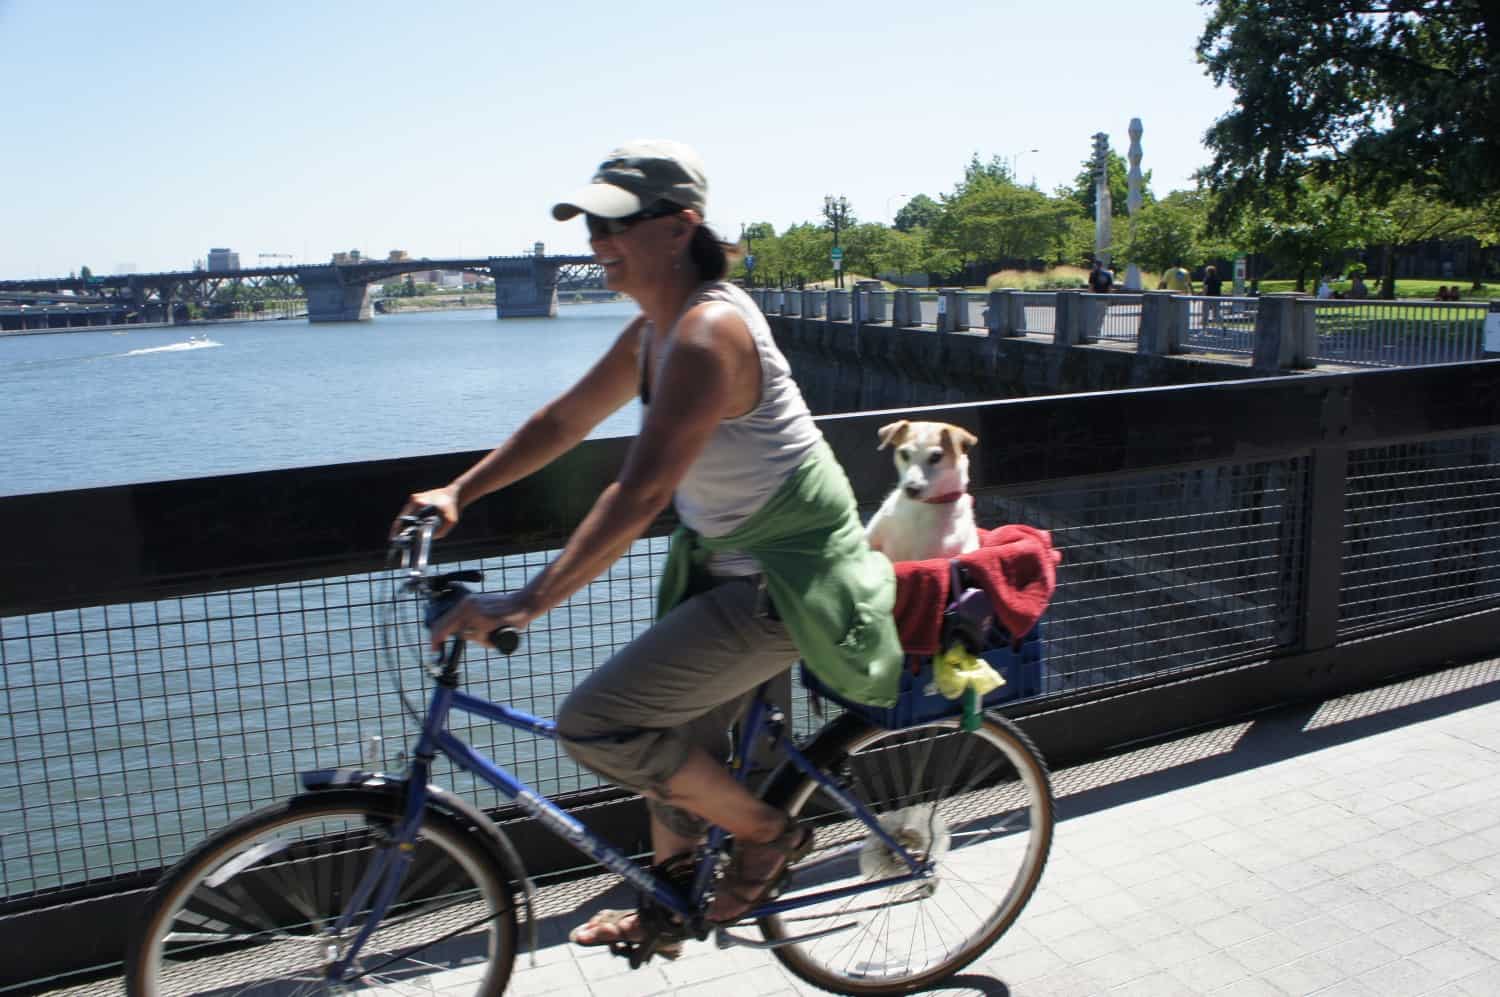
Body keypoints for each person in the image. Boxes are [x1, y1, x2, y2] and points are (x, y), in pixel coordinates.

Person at [392, 140, 903, 955]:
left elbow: (638, 493)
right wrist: (462, 489)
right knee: (671, 748)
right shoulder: (654, 333)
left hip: (788, 582)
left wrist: (524, 602)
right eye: (592, 223)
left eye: (618, 223)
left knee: (597, 724)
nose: (598, 241)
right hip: (731, 569)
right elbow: (562, 422)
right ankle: (671, 912)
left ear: (680, 227)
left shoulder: (707, 333)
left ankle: (768, 833)